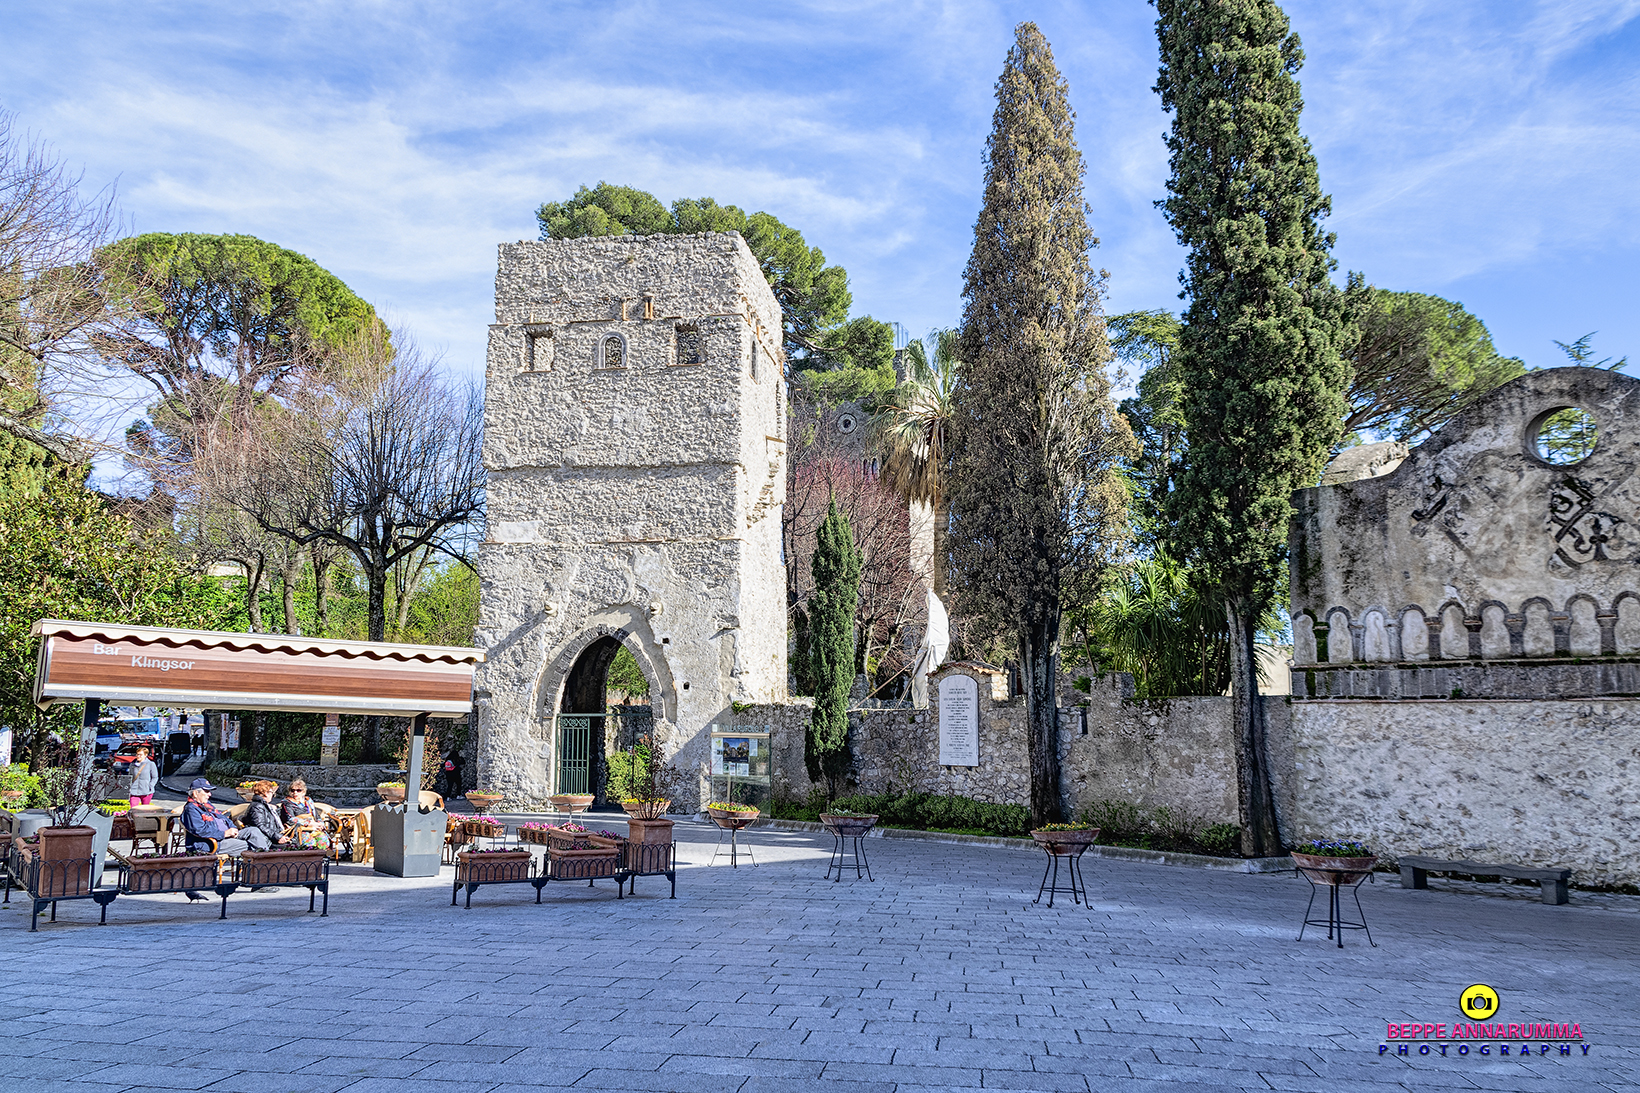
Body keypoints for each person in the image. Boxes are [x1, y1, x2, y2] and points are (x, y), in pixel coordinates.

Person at [181, 777, 267, 856]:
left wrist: (233, 829)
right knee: (250, 845)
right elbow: (200, 831)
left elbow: (224, 818)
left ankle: (266, 861)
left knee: (254, 831)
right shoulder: (191, 809)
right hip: (211, 843)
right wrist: (224, 834)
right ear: (195, 793)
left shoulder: (207, 805)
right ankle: (264, 866)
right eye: (206, 791)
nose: (210, 794)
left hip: (225, 836)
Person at [279, 778, 332, 849]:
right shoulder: (287, 803)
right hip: (298, 829)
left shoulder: (308, 802)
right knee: (310, 842)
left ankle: (320, 858)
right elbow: (291, 819)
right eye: (292, 790)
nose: (295, 793)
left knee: (323, 840)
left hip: (313, 828)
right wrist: (309, 823)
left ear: (303, 792)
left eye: (298, 790)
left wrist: (320, 824)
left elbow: (316, 816)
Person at [243, 781, 292, 849]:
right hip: (266, 840)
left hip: (272, 836)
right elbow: (260, 826)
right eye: (272, 793)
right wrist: (277, 837)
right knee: (291, 847)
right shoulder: (257, 806)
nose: (273, 795)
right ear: (266, 793)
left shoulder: (265, 806)